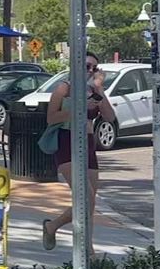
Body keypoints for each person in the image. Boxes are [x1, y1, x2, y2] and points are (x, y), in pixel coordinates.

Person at [42, 51, 115, 256]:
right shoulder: (64, 88)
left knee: (90, 202)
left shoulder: (94, 91)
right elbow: (51, 118)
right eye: (86, 67)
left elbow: (109, 117)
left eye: (94, 68)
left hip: (88, 143)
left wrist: (99, 90)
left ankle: (85, 245)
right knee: (85, 196)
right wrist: (79, 108)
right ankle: (55, 228)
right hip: (67, 140)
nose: (90, 71)